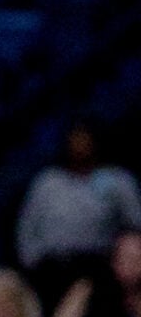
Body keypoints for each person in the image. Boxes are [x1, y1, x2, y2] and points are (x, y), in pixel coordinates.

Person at [22, 125, 141, 306]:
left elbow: (135, 223)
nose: (80, 146)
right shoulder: (48, 181)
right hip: (53, 267)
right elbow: (27, 226)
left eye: (85, 140)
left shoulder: (116, 180)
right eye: (75, 140)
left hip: (101, 266)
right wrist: (31, 262)